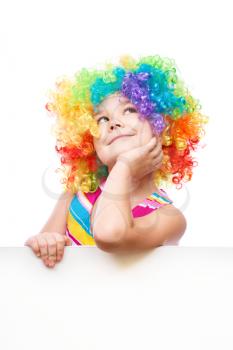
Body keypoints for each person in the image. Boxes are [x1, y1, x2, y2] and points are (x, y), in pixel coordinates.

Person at [24, 54, 209, 267]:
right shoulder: (78, 194)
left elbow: (110, 234)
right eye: (101, 119)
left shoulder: (169, 217)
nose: (113, 123)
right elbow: (39, 257)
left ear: (161, 127)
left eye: (129, 110)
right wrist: (45, 242)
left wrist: (125, 167)